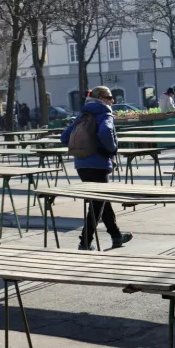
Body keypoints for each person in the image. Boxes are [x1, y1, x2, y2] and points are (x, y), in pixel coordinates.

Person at [60, 86, 132, 250]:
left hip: (81, 164)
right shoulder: (104, 113)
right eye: (110, 97)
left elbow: (64, 137)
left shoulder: (82, 115)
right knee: (97, 204)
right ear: (102, 98)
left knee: (101, 200)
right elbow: (105, 132)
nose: (113, 100)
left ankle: (116, 236)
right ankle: (85, 241)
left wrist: (83, 148)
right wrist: (111, 149)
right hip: (98, 165)